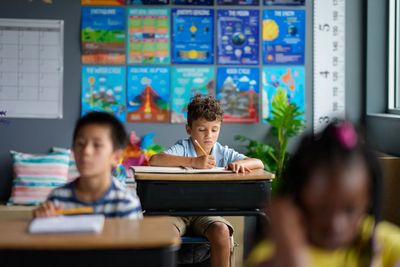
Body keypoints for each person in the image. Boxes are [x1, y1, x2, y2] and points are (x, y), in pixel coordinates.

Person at [246, 121, 400, 267]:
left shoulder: (385, 244)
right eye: (321, 209)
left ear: (368, 201)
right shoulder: (274, 254)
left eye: (349, 210)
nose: (335, 225)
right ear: (298, 199)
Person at [150, 94, 264, 267]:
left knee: (221, 231)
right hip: (175, 212)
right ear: (189, 129)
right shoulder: (183, 148)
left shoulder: (222, 152)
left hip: (205, 213)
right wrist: (193, 162)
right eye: (202, 130)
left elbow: (259, 163)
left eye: (214, 129)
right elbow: (155, 160)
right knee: (166, 234)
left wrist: (240, 163)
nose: (208, 136)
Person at [33, 112, 142, 219]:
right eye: (80, 144)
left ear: (116, 157)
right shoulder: (57, 199)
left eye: (97, 145)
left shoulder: (125, 202)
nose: (86, 151)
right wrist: (43, 222)